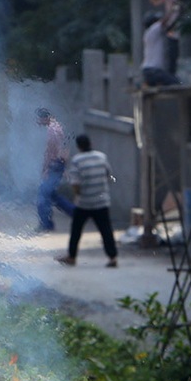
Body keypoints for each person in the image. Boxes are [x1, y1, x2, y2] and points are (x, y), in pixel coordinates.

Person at [56, 134, 118, 267]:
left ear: (78, 146)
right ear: (91, 143)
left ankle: (72, 257)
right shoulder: (102, 157)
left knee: (76, 230)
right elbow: (109, 175)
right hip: (102, 201)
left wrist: (78, 194)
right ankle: (113, 258)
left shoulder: (77, 160)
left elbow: (76, 184)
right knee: (106, 229)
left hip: (84, 203)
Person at [35, 108, 75, 232]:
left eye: (39, 119)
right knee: (52, 195)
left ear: (44, 118)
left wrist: (47, 168)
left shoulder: (52, 130)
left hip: (54, 165)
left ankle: (46, 224)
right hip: (57, 165)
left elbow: (54, 151)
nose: (38, 122)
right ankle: (77, 214)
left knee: (43, 194)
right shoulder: (56, 127)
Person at [140, 0, 181, 87]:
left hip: (148, 71)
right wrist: (173, 9)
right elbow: (165, 21)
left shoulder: (151, 34)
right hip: (154, 71)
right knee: (176, 82)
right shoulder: (154, 29)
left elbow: (169, 26)